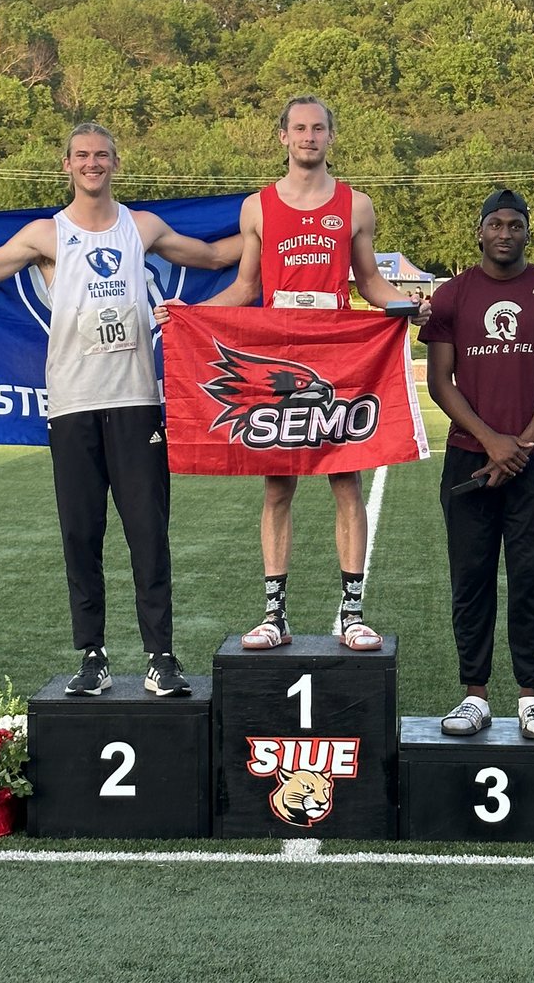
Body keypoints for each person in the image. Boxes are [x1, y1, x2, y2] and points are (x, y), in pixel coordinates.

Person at [0, 122, 241, 698]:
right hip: (71, 407)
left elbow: (216, 255)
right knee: (80, 536)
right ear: (66, 165)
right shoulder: (46, 234)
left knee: (148, 535)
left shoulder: (143, 227)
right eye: (82, 156)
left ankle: (161, 658)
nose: (93, 164)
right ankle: (93, 658)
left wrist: (277, 223)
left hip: (138, 403)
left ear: (117, 162)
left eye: (102, 156)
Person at [185, 95, 429, 652]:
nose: (308, 137)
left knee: (348, 479)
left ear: (331, 136)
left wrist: (406, 304)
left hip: (338, 355)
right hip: (281, 354)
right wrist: (190, 319)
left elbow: (370, 283)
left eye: (318, 127)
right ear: (282, 137)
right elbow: (246, 289)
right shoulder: (258, 208)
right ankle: (275, 614)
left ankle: (352, 612)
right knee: (278, 487)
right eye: (299, 128)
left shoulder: (356, 206)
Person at [420, 189, 534, 740]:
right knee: (470, 579)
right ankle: (474, 695)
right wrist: (492, 442)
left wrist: (519, 449)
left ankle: (531, 696)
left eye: (516, 224)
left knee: (531, 577)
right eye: (496, 224)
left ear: (527, 233)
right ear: (481, 231)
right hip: (469, 459)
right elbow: (439, 381)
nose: (506, 233)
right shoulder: (452, 296)